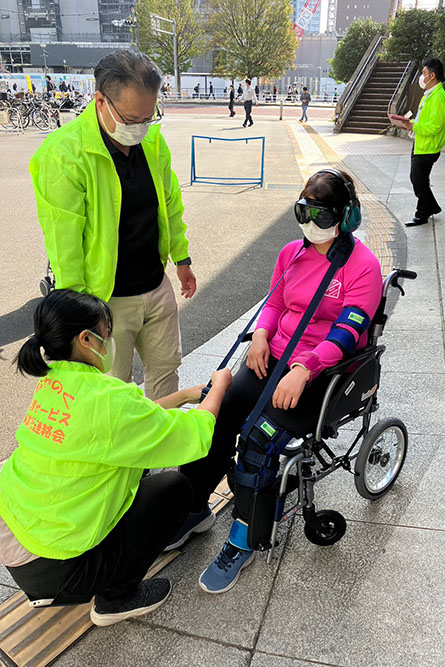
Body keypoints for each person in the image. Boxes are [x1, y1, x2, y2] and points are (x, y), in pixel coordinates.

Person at [179, 169, 383, 594]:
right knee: (216, 413)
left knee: (258, 439)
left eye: (321, 215)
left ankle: (245, 540)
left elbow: (347, 331)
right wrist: (259, 335)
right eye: (302, 211)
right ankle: (194, 507)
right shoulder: (291, 253)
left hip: (320, 374)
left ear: (345, 218)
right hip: (274, 359)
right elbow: (274, 302)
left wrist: (305, 368)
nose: (310, 223)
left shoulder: (362, 267)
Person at [0, 289, 232, 625]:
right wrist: (220, 387)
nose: (110, 341)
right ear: (85, 339)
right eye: (106, 333)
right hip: (58, 569)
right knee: (172, 488)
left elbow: (124, 423)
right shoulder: (110, 399)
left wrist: (184, 395)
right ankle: (116, 599)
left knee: (136, 474)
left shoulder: (55, 381)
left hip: (20, 541)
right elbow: (194, 434)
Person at [30, 50, 197, 402]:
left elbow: (169, 203)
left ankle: (162, 455)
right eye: (131, 118)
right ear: (100, 100)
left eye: (148, 117)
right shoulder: (63, 154)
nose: (139, 128)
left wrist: (181, 260)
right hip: (106, 299)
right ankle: (122, 459)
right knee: (112, 388)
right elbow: (65, 243)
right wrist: (81, 315)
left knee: (166, 370)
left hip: (155, 285)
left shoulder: (151, 141)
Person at [401, 58, 445, 227]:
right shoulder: (430, 95)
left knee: (418, 180)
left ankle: (422, 213)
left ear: (431, 75)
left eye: (423, 73)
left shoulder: (438, 97)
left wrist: (414, 126)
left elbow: (434, 127)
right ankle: (431, 207)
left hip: (428, 147)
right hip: (421, 144)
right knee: (417, 179)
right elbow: (424, 120)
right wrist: (410, 125)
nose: (421, 77)